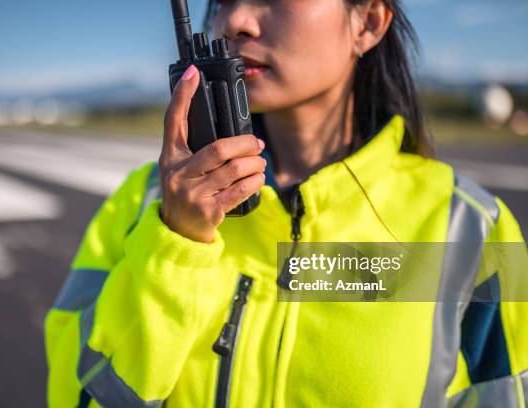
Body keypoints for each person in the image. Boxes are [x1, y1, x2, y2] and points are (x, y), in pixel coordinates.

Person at [44, 0, 528, 406]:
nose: (235, 21)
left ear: (369, 23)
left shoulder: (470, 227)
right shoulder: (145, 202)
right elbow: (73, 394)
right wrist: (174, 246)